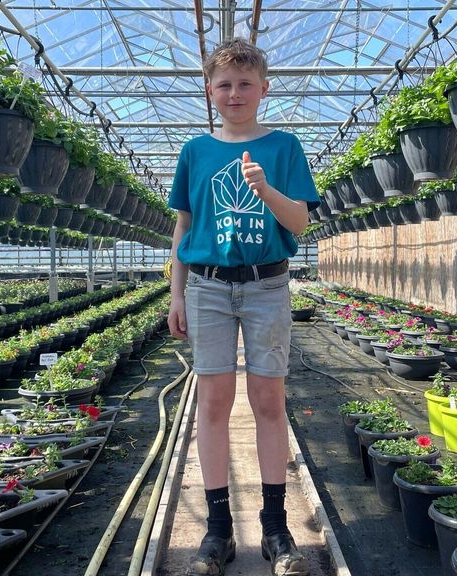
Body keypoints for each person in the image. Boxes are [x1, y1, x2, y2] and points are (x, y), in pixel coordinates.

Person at [167, 39, 319, 576]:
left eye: (245, 84)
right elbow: (183, 226)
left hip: (266, 286)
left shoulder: (284, 147)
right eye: (225, 85)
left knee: (268, 401)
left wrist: (265, 190)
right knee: (212, 403)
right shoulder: (195, 152)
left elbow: (300, 222)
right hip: (207, 287)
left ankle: (276, 529)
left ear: (263, 89)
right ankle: (218, 530)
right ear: (210, 91)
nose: (235, 93)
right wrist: (176, 293)